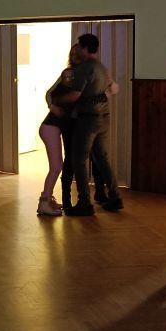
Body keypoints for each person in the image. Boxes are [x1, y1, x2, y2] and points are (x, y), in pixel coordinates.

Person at [54, 33, 123, 216]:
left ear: (85, 48)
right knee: (102, 157)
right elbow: (113, 88)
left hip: (88, 119)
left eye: (79, 46)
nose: (78, 50)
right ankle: (115, 196)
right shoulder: (102, 67)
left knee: (78, 159)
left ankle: (85, 203)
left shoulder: (85, 68)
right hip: (104, 117)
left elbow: (75, 95)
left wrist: (56, 100)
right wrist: (101, 96)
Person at [36, 48, 78, 217]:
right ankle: (44, 203)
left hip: (52, 128)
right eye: (73, 54)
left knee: (56, 166)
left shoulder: (77, 77)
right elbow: (49, 94)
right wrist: (52, 107)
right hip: (50, 128)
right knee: (56, 167)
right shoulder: (70, 75)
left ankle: (47, 199)